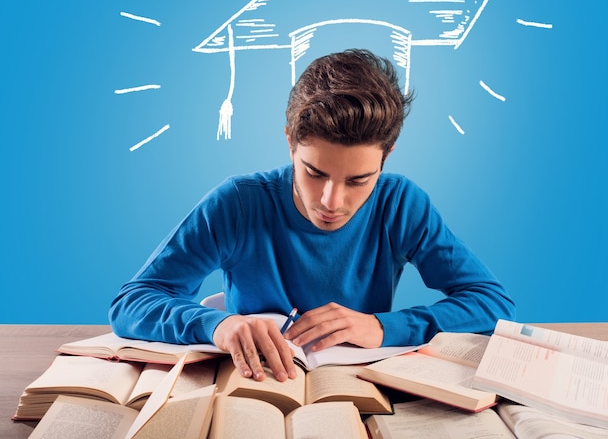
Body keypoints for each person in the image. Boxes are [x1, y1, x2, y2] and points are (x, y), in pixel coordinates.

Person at [109, 49, 515, 384]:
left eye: (359, 180)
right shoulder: (236, 203)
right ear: (290, 142)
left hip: (357, 390)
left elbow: (493, 304)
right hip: (246, 385)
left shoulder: (401, 204)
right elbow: (131, 302)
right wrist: (216, 326)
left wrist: (382, 327)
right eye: (314, 172)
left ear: (386, 158)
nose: (331, 201)